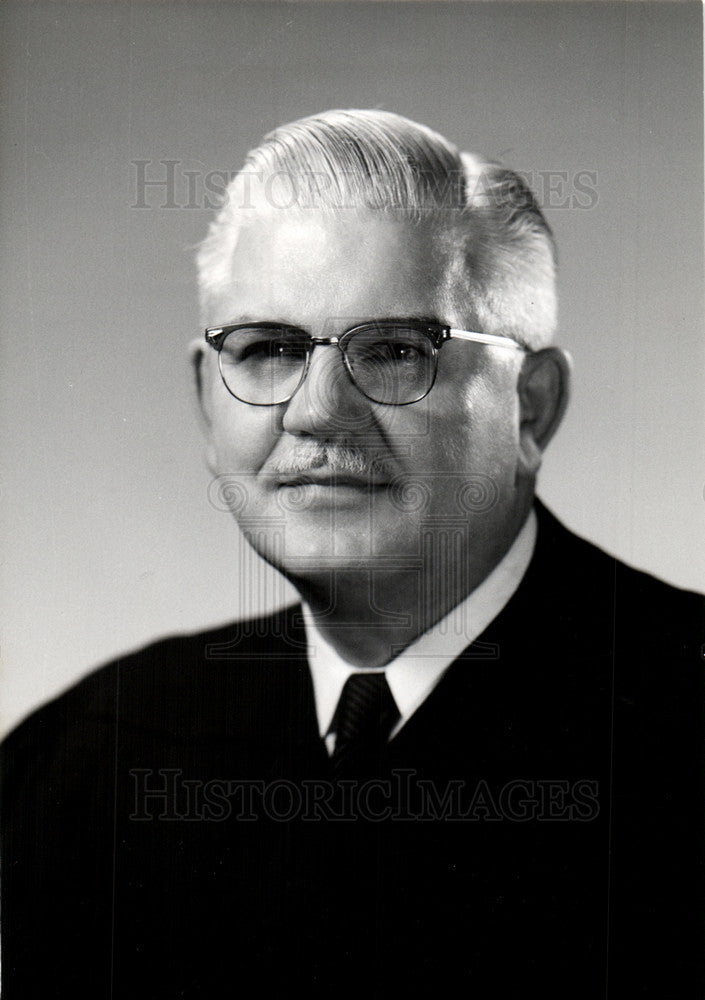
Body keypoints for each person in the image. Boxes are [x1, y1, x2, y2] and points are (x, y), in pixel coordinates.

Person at [2, 109, 703, 998]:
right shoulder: (78, 768)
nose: (315, 412)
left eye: (398, 351)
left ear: (529, 407)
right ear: (204, 403)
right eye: (267, 352)